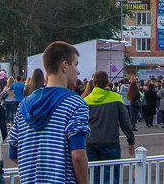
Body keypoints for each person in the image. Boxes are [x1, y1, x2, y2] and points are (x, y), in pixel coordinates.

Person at [8, 41, 90, 184]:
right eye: (75, 65)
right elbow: (78, 156)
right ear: (64, 66)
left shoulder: (24, 106)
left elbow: (13, 152)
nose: (78, 71)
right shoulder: (75, 104)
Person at [83, 71, 133, 184]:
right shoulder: (116, 98)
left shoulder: (86, 101)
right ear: (107, 82)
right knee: (111, 177)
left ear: (94, 83)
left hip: (91, 143)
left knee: (95, 176)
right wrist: (131, 140)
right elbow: (125, 122)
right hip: (110, 142)